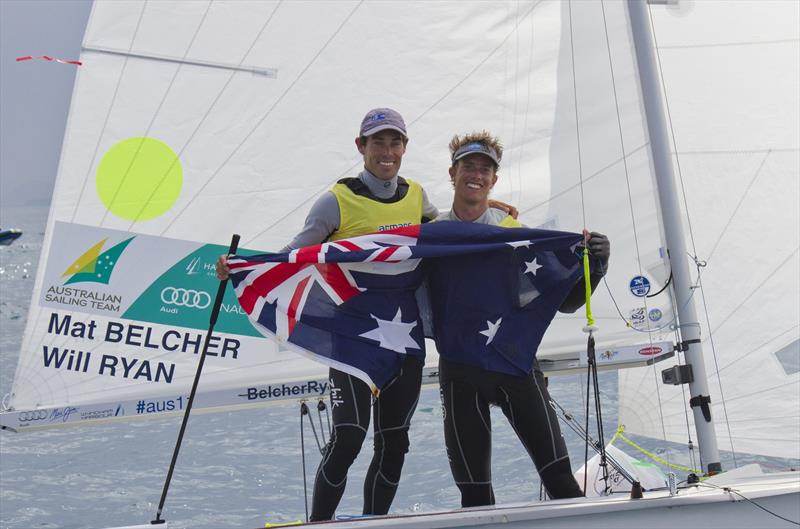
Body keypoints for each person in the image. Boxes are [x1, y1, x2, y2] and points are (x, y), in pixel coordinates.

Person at [217, 110, 517, 520]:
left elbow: (451, 229)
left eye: (395, 143)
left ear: (404, 149)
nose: (387, 152)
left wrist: (491, 207)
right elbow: (293, 255)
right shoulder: (335, 201)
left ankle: (373, 523)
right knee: (348, 438)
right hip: (352, 339)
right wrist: (240, 267)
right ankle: (319, 525)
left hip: (404, 340)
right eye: (378, 143)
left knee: (394, 443)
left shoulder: (416, 195)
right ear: (361, 147)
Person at [426, 131, 610, 507]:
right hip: (461, 375)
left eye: (485, 170)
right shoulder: (432, 235)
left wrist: (598, 267)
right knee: (475, 496)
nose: (476, 175)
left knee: (560, 479)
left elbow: (566, 304)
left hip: (515, 366)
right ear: (452, 172)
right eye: (468, 167)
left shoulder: (516, 236)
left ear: (494, 180)